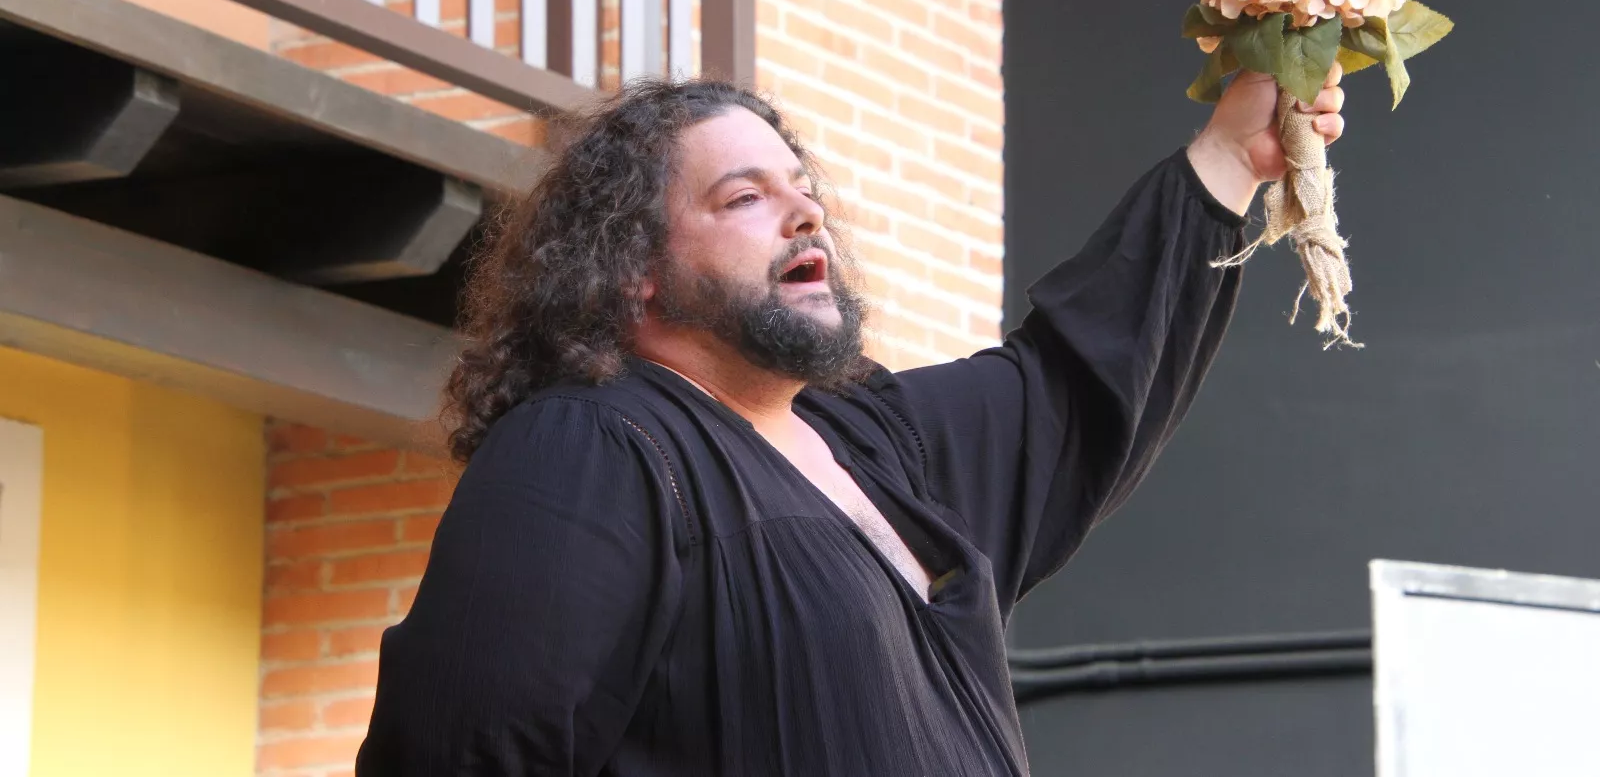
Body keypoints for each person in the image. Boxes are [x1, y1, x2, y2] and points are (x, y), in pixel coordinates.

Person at [355, 65, 1346, 776]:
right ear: (630, 268)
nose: (803, 214)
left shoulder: (873, 442)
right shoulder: (590, 448)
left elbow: (1069, 383)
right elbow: (459, 752)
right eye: (745, 197)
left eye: (805, 190)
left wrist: (1231, 153)